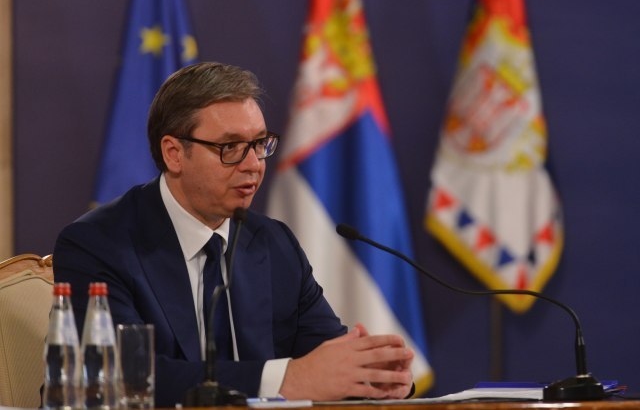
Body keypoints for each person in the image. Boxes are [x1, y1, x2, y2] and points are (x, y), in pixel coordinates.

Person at [53, 62, 414, 407]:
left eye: (259, 144)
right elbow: (117, 376)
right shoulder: (98, 245)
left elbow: (324, 359)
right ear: (174, 153)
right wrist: (285, 380)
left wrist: (374, 377)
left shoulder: (274, 244)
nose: (254, 164)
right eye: (230, 148)